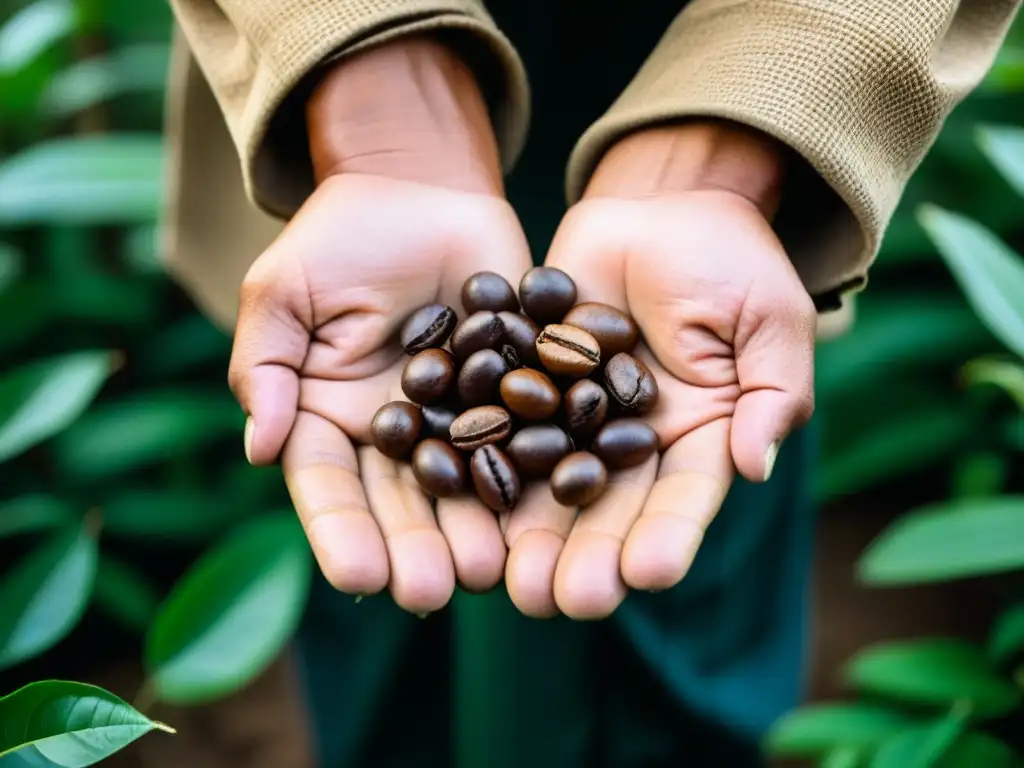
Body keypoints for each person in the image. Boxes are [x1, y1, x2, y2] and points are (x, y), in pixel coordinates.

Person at [161, 1, 1021, 766]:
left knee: (679, 630)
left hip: (709, 83)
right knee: (374, 620)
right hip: (340, 130)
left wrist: (758, 110)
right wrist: (367, 79)